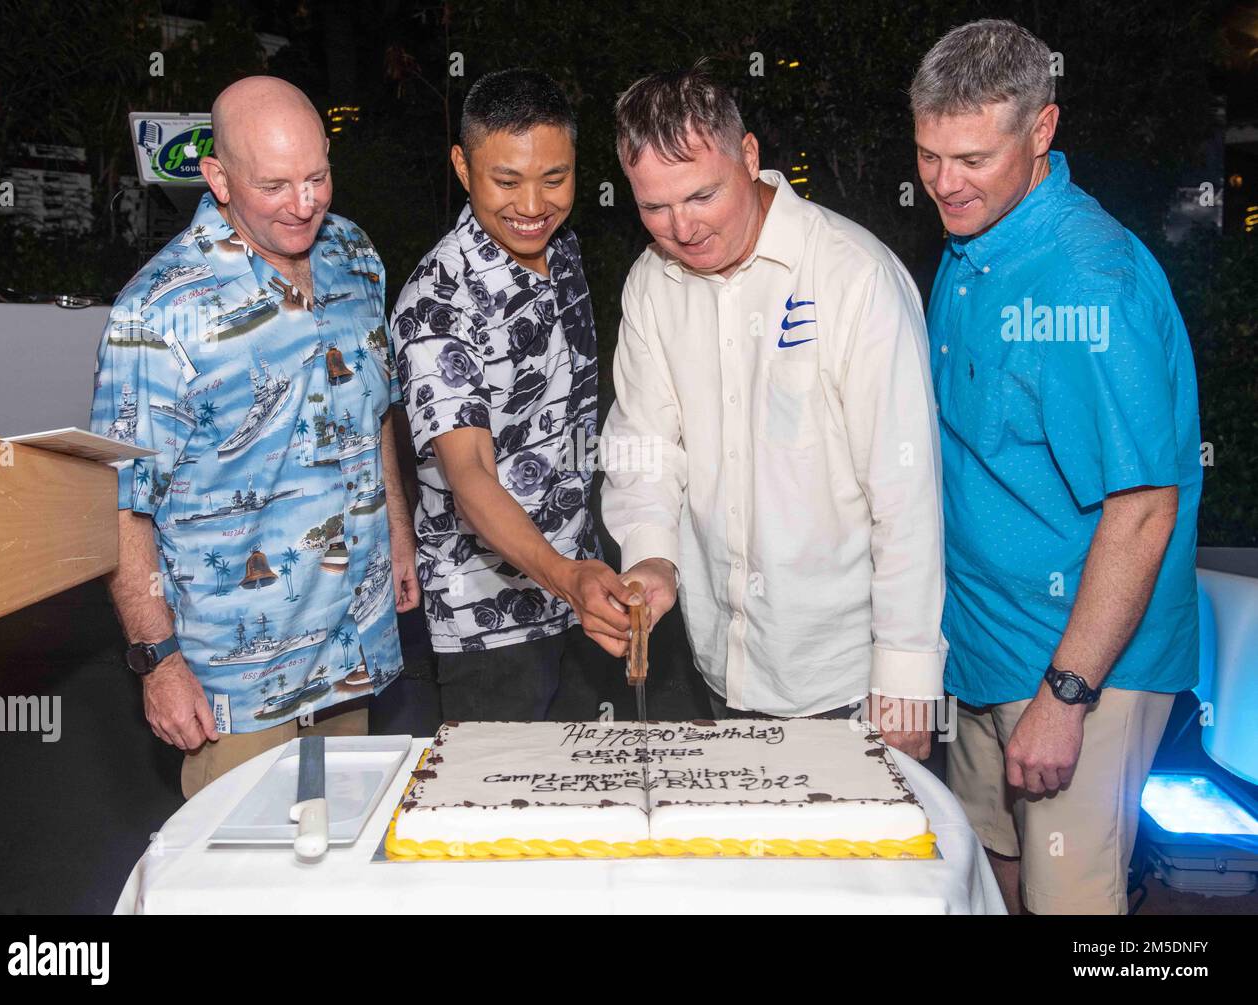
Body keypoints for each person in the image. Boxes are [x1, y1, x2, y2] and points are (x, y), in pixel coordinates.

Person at [911, 19, 1201, 914]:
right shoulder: (973, 249)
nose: (944, 184)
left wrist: (1068, 694)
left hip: (1082, 664)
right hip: (986, 649)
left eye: (971, 157)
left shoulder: (1087, 281)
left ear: (1042, 132)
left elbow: (1145, 506)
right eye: (927, 155)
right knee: (988, 877)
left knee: (1074, 910)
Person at [600, 63, 947, 757]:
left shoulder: (855, 276)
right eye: (653, 207)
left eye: (701, 194)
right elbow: (646, 444)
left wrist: (907, 682)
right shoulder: (650, 284)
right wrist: (652, 557)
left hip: (846, 680)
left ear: (750, 156)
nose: (682, 227)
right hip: (719, 663)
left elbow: (905, 496)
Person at [91, 76, 419, 799]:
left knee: (342, 864)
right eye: (275, 185)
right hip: (235, 680)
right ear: (219, 178)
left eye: (317, 176)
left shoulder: (356, 258)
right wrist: (157, 659)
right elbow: (119, 500)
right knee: (237, 882)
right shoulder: (158, 311)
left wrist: (398, 527)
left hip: (350, 645)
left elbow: (376, 412)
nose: (304, 203)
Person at [390, 68, 636, 721]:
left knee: (592, 809)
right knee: (499, 819)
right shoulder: (438, 304)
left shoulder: (564, 249)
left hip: (584, 591)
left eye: (554, 178)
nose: (533, 205)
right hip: (488, 626)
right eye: (506, 181)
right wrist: (566, 578)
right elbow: (468, 478)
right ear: (463, 168)